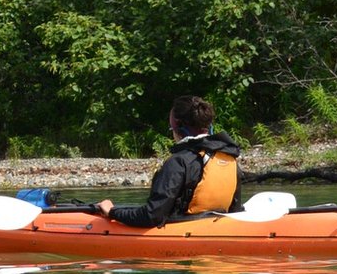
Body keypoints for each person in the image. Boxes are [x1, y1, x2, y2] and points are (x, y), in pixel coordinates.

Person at [95, 96, 242, 225]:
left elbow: (152, 216)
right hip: (219, 228)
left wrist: (112, 212)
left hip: (182, 231)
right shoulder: (229, 158)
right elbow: (235, 209)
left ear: (177, 128)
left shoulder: (178, 162)